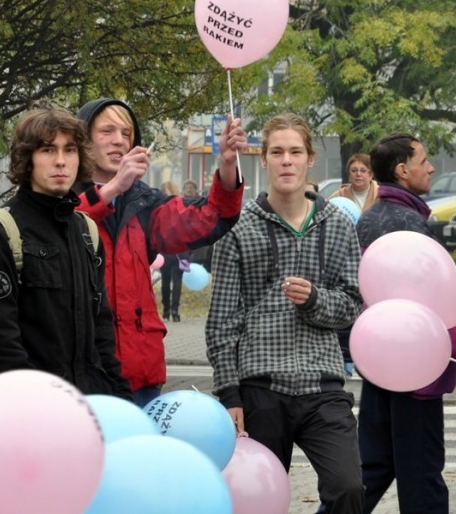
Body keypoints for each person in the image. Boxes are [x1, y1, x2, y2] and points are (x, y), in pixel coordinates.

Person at [206, 113, 364, 513]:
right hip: (260, 387)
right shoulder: (237, 228)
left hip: (323, 384)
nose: (287, 161)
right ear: (264, 160)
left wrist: (315, 300)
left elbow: (352, 304)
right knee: (256, 500)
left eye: (295, 152)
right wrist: (229, 394)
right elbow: (222, 321)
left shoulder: (339, 226)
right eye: (277, 152)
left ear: (310, 159)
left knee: (348, 488)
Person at [355, 133, 456, 514]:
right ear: (403, 170)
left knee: (371, 471)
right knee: (422, 479)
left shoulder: (369, 219)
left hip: (378, 368)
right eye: (424, 160)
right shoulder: (410, 223)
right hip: (415, 373)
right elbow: (447, 303)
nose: (432, 167)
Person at [74, 98, 245, 407]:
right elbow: (64, 224)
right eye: (107, 131)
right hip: (79, 379)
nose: (119, 140)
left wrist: (228, 164)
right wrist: (112, 189)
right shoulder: (63, 197)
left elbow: (207, 218)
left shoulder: (143, 203)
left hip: (139, 379)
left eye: (126, 133)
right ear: (83, 140)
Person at [0, 102, 131, 399]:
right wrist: (37, 408)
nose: (61, 161)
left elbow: (102, 333)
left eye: (69, 150)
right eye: (47, 150)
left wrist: (121, 399)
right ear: (27, 159)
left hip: (89, 405)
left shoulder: (86, 231)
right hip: (32, 413)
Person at [158, 181, 185, 322]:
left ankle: (166, 310)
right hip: (181, 250)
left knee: (166, 280)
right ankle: (175, 310)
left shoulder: (161, 206)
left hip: (166, 250)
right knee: (177, 280)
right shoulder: (182, 205)